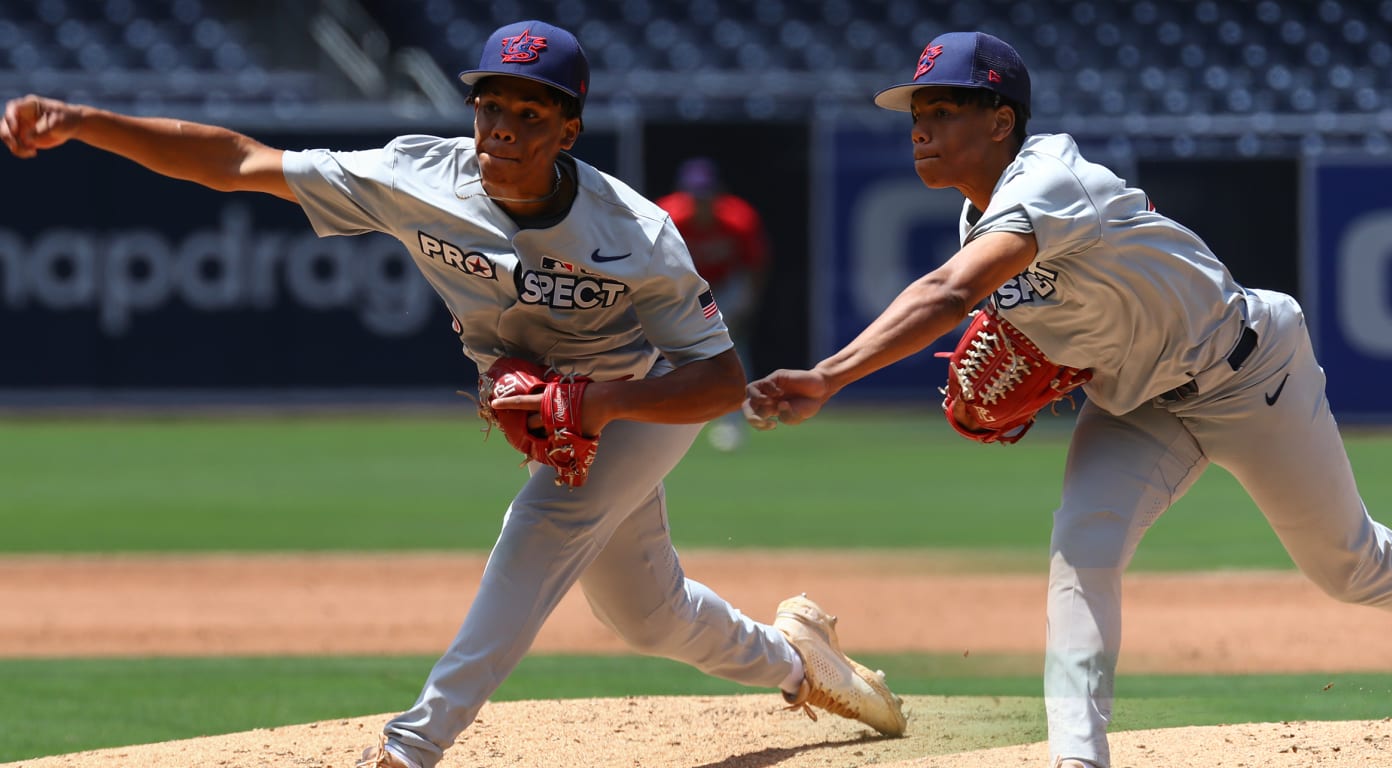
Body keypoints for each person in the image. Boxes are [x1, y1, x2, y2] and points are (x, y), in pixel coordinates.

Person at [1, 19, 905, 768]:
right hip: (555, 399)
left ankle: (413, 745)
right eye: (489, 104)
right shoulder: (416, 177)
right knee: (647, 614)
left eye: (528, 109)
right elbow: (238, 161)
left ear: (567, 130)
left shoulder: (636, 231)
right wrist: (84, 121)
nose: (501, 124)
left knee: (546, 523)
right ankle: (799, 661)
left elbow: (718, 380)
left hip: (636, 390)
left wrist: (595, 406)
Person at [743, 30, 1392, 768]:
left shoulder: (1049, 176)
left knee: (1346, 565)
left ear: (1001, 120)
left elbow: (951, 292)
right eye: (917, 114)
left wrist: (829, 376)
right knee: (1082, 550)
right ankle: (1077, 754)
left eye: (943, 111)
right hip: (1138, 403)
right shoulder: (973, 218)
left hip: (1248, 371)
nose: (921, 128)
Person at [655, 156, 772, 451]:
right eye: (695, 196)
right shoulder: (667, 215)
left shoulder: (738, 217)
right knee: (666, 347)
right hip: (680, 286)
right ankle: (665, 416)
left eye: (705, 195)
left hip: (724, 287)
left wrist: (748, 304)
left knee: (730, 345)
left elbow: (754, 266)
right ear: (685, 194)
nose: (700, 202)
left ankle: (733, 422)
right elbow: (650, 264)